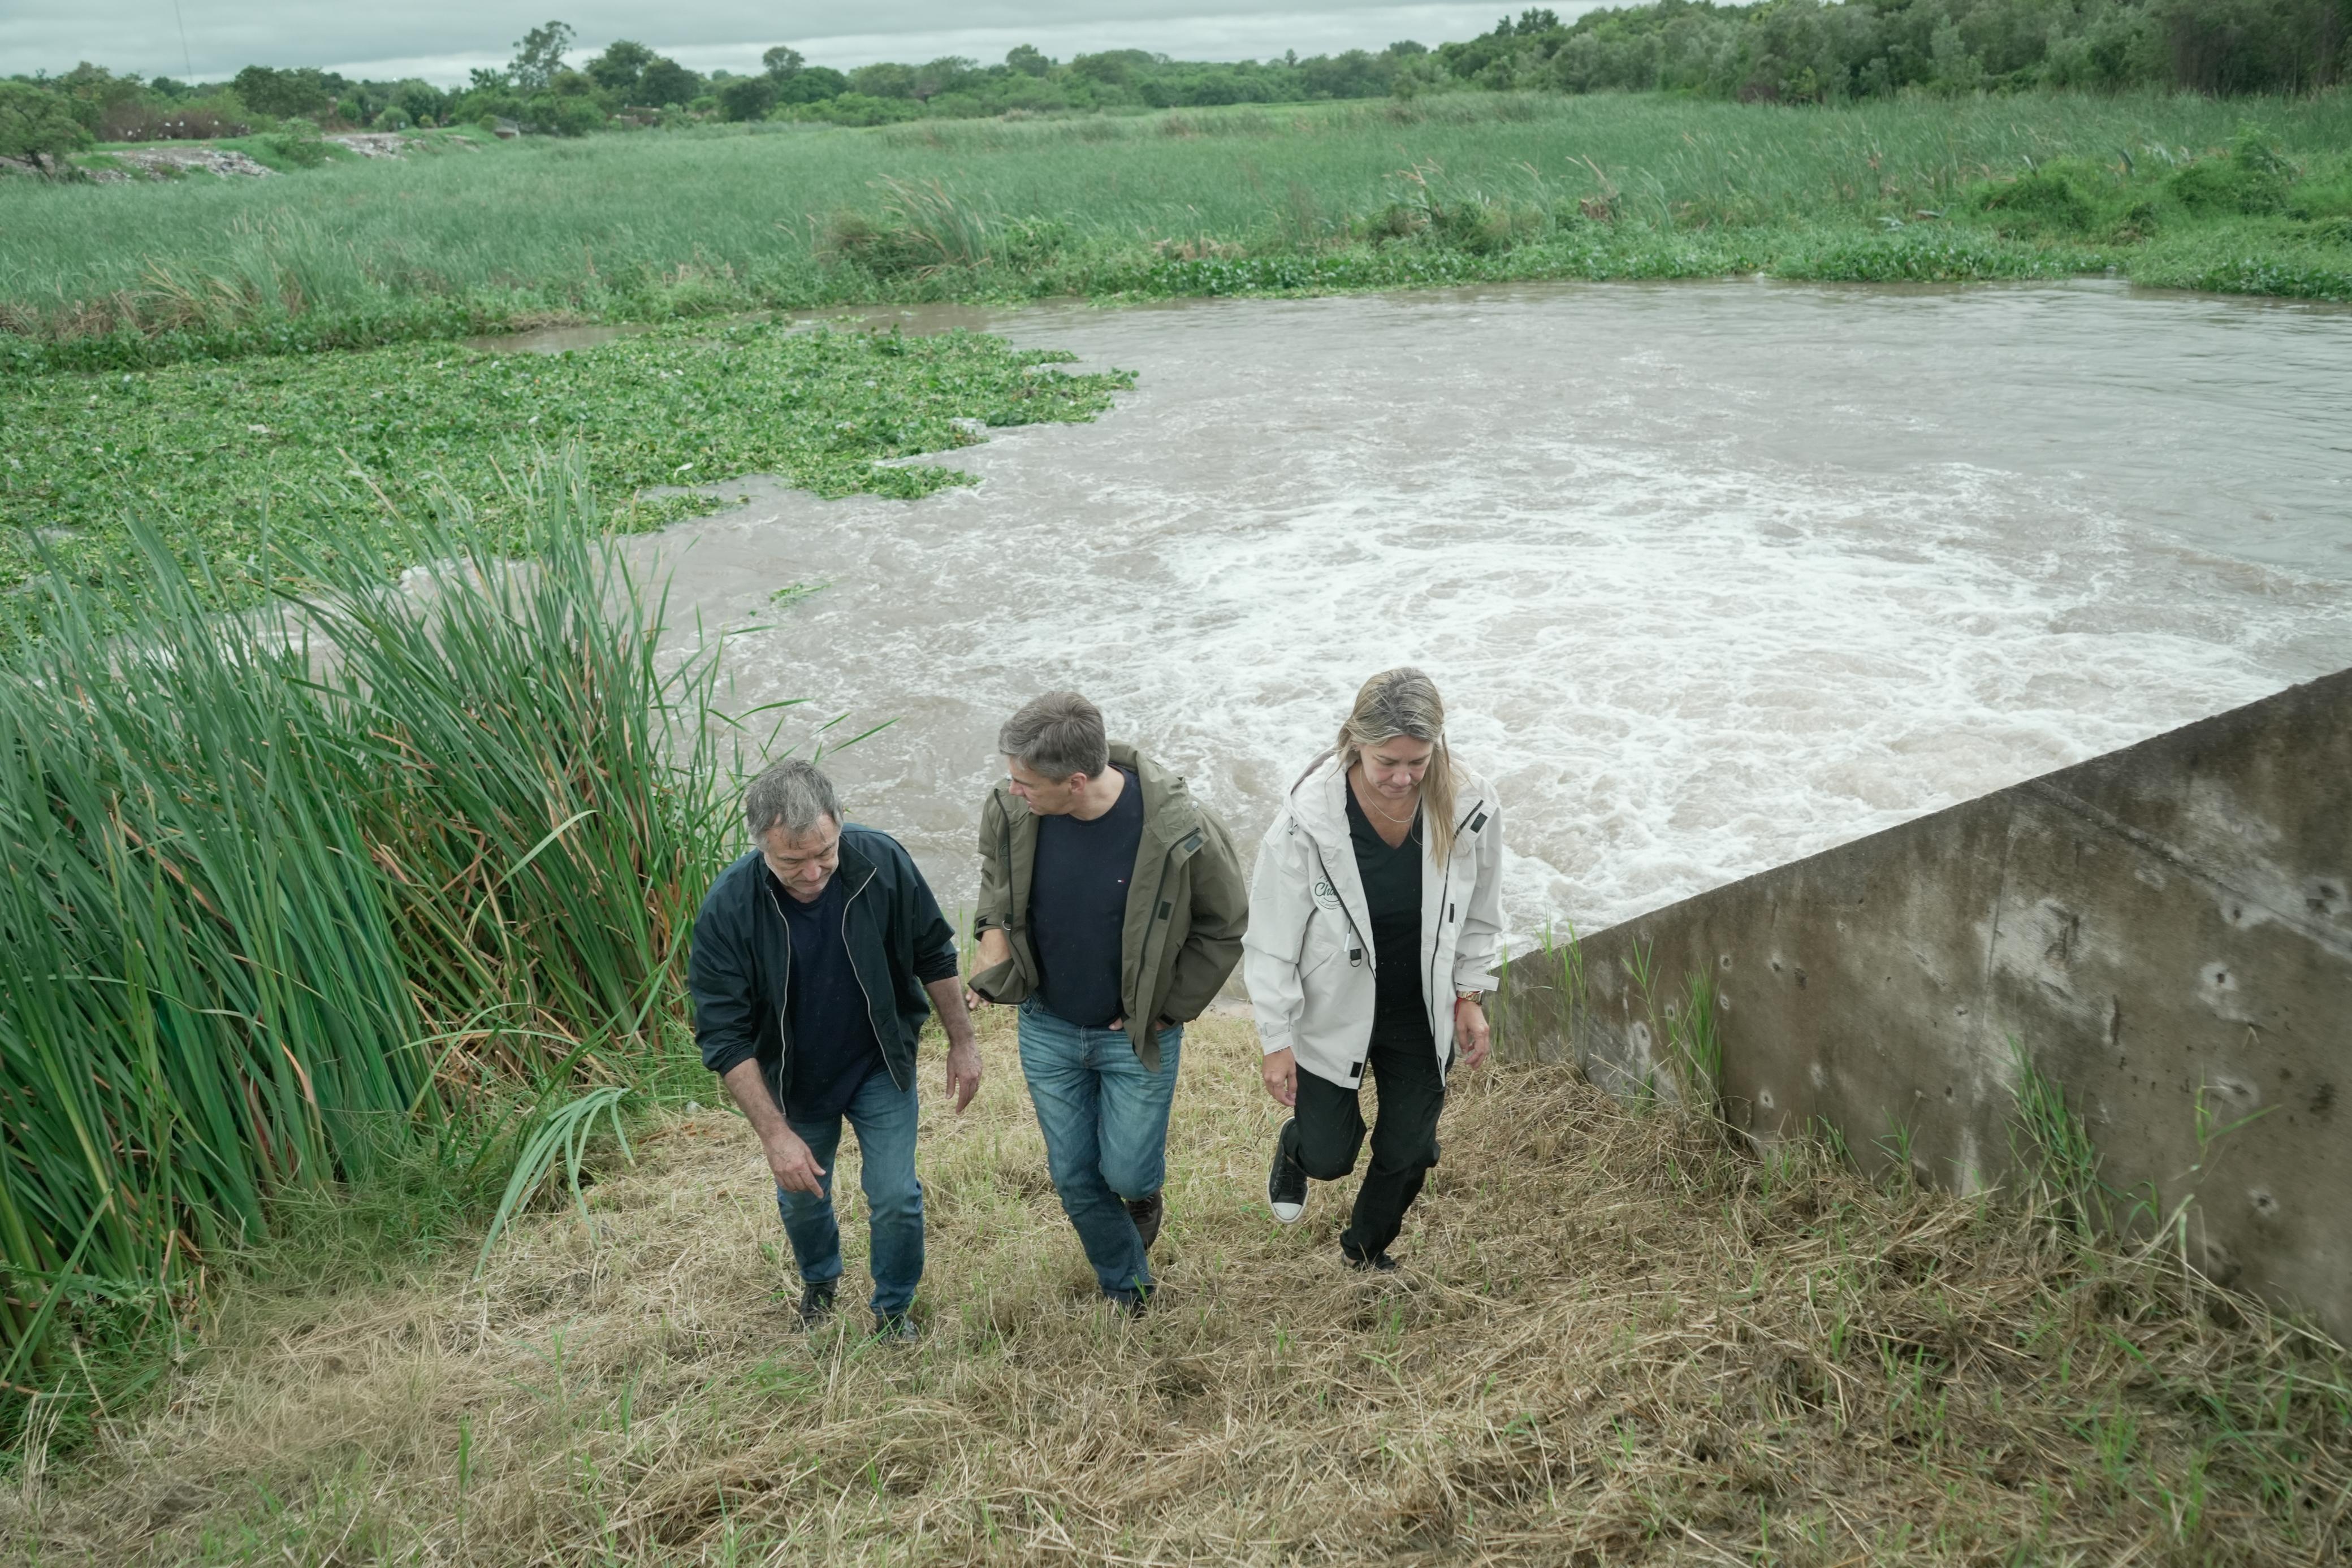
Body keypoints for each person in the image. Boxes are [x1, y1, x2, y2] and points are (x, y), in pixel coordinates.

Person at [966, 691, 1248, 1313]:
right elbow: (995, 877)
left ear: (1074, 781)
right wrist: (991, 935)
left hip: (1137, 1035)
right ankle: (1127, 1283)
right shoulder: (1011, 812)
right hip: (1047, 1026)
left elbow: (1223, 925)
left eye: (1024, 782)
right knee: (1072, 1174)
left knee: (1126, 1174)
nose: (1012, 790)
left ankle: (1142, 1198)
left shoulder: (1181, 827)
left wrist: (1168, 1008)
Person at [689, 759, 983, 1340]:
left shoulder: (882, 860)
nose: (813, 870)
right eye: (790, 860)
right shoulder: (727, 908)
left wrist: (963, 1041)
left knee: (895, 1194)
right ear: (760, 845)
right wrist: (776, 1135)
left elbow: (933, 951)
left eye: (823, 850)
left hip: (878, 1060)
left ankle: (892, 1310)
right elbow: (721, 1035)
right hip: (793, 1078)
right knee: (801, 1195)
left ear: (839, 823)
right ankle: (820, 1283)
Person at [1245, 668, 1504, 1272]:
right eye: (1387, 760)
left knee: (1410, 1146)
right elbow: (1271, 941)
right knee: (1331, 1155)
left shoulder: (1470, 803)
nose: (1403, 777)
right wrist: (1275, 1039)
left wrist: (1469, 993)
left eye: (1418, 760)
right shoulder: (1303, 822)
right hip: (1333, 1009)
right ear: (1354, 742)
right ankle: (1296, 1148)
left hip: (1421, 1009)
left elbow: (1481, 910)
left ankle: (1365, 1249)